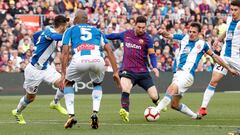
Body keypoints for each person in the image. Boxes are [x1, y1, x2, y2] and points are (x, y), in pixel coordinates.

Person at [154, 22, 238, 119]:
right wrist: (162, 32)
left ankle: (155, 111)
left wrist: (229, 69)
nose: (191, 34)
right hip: (178, 74)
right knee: (174, 105)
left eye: (194, 32)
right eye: (190, 31)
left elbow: (216, 57)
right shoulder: (184, 38)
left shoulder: (202, 44)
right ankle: (195, 116)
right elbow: (168, 35)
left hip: (186, 74)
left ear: (199, 33)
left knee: (171, 89)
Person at [59, 10, 121, 129]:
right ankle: (95, 113)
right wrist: (115, 72)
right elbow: (109, 51)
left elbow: (65, 52)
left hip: (79, 59)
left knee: (68, 83)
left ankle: (71, 115)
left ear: (76, 19)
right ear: (87, 20)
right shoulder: (98, 31)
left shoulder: (70, 30)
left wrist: (63, 73)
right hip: (98, 60)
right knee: (97, 84)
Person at [11, 15, 69, 125]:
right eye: (66, 25)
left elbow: (35, 35)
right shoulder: (49, 32)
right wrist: (69, 35)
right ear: (62, 26)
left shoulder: (47, 32)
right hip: (34, 71)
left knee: (64, 83)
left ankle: (55, 103)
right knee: (30, 98)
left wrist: (38, 44)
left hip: (46, 68)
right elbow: (55, 37)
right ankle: (17, 112)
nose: (67, 26)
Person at [106, 15, 164, 123]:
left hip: (143, 72)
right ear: (135, 25)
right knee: (125, 88)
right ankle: (125, 112)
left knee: (154, 95)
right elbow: (113, 36)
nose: (141, 29)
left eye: (143, 28)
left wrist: (155, 67)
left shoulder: (148, 39)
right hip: (128, 70)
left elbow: (152, 55)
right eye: (139, 27)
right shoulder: (126, 34)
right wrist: (101, 36)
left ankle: (157, 101)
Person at [198, 0, 240, 117]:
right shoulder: (230, 19)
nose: (233, 12)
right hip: (224, 57)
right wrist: (217, 40)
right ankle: (203, 108)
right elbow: (227, 32)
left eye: (236, 10)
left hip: (237, 58)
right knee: (213, 81)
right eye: (231, 9)